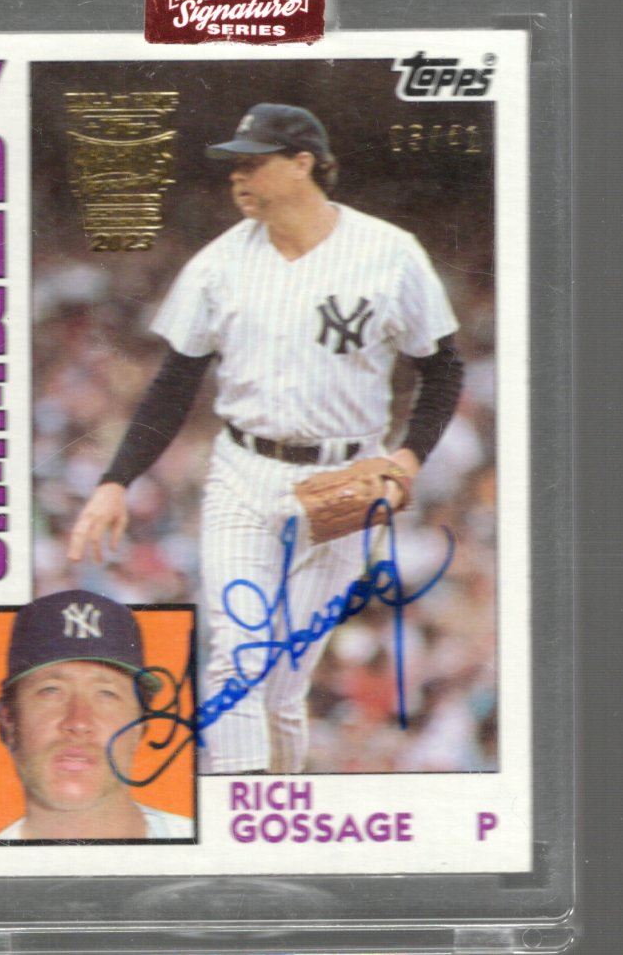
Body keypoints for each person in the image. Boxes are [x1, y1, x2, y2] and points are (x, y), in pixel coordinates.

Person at [67, 103, 464, 774]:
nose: (237, 177)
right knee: (237, 658)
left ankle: (280, 812)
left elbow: (443, 367)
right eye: (234, 166)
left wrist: (407, 456)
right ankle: (240, 816)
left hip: (347, 478)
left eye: (252, 163)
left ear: (303, 164)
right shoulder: (219, 264)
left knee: (281, 688)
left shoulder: (390, 254)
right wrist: (116, 480)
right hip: (244, 476)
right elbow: (174, 383)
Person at [0, 589, 194, 840]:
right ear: (8, 722)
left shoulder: (212, 847)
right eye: (51, 690)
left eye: (106, 693)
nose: (78, 722)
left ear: (140, 724)